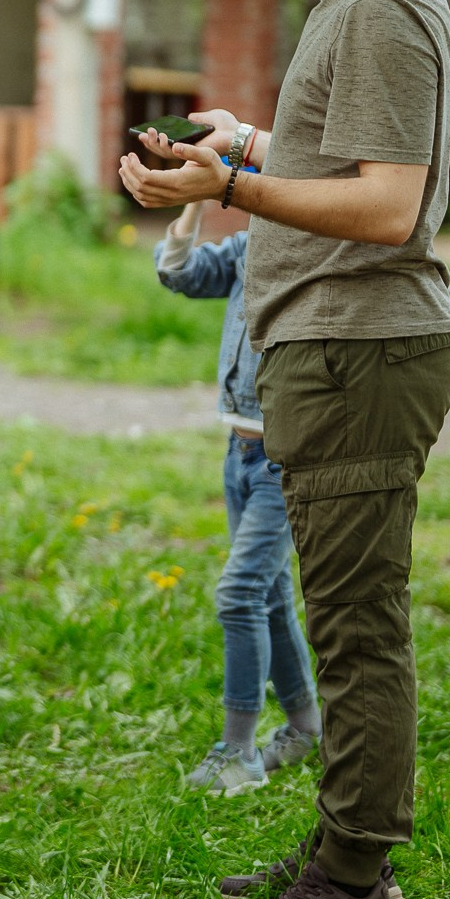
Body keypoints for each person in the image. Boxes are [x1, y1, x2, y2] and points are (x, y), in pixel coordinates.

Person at [119, 0, 450, 899]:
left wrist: (232, 187)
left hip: (364, 350)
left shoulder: (381, 4)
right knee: (338, 610)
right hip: (329, 352)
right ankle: (338, 855)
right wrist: (251, 141)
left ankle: (355, 886)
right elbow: (355, 158)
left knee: (358, 629)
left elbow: (386, 207)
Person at [151, 202, 322, 797]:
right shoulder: (251, 245)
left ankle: (240, 752)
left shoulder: (317, 250)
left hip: (286, 457)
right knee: (270, 596)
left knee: (240, 593)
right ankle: (305, 729)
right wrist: (195, 201)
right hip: (239, 453)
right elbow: (181, 274)